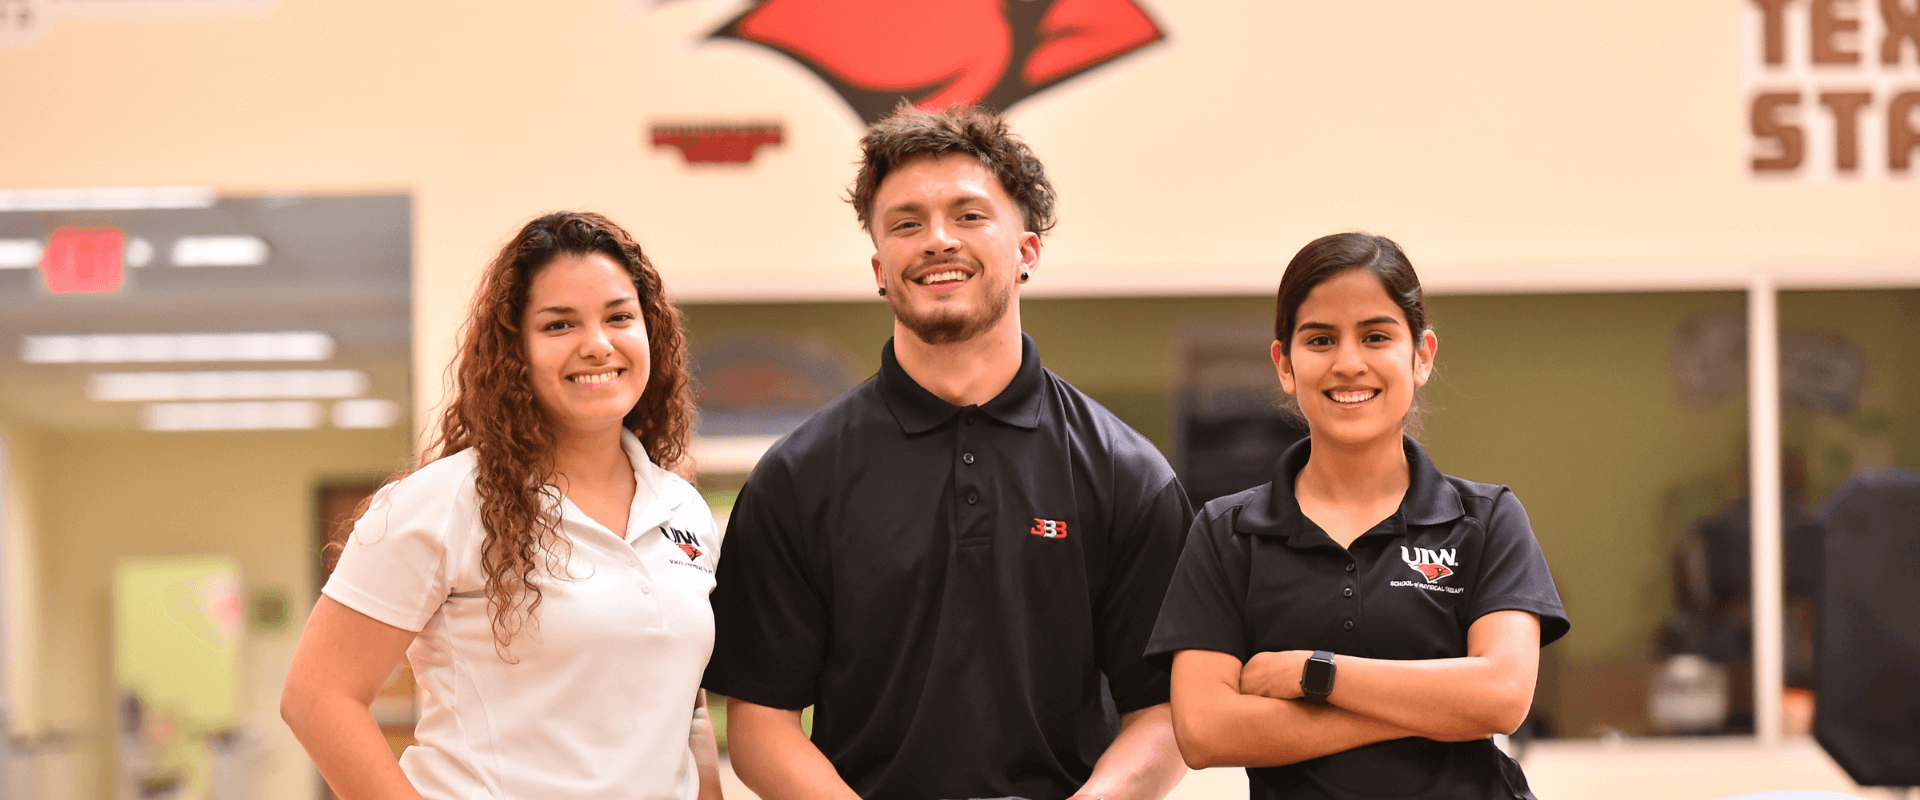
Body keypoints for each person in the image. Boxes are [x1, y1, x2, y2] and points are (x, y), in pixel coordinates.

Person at [702, 104, 1192, 800]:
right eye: (906, 223)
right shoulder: (796, 479)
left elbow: (1166, 712)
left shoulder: (1128, 474)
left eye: (968, 216)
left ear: (1027, 252)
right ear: (880, 266)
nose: (937, 241)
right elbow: (759, 724)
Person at [281, 212, 723, 800]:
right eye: (560, 324)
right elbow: (317, 698)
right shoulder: (441, 502)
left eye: (619, 317)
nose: (597, 345)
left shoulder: (683, 510)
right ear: (515, 349)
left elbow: (684, 712)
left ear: (651, 334)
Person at [1146, 233, 1569, 799]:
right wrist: (1437, 711)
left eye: (1376, 336)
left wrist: (1314, 673)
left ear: (1421, 356)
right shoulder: (1226, 533)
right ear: (1285, 364)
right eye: (1320, 339)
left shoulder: (1487, 519)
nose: (1349, 363)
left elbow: (1503, 696)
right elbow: (1204, 730)